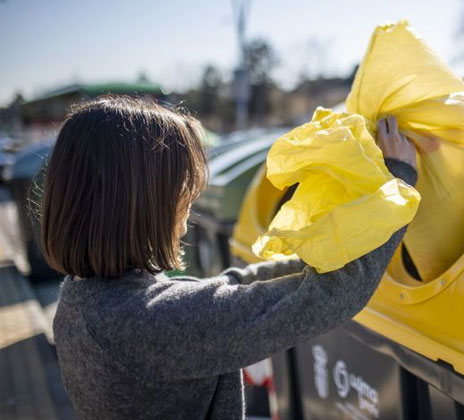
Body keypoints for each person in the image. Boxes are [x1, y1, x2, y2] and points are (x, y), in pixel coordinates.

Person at [42, 96, 417, 419]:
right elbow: (330, 297)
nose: (189, 206)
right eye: (183, 190)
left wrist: (311, 261)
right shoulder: (150, 324)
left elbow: (226, 291)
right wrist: (399, 178)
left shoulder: (81, 301)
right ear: (140, 203)